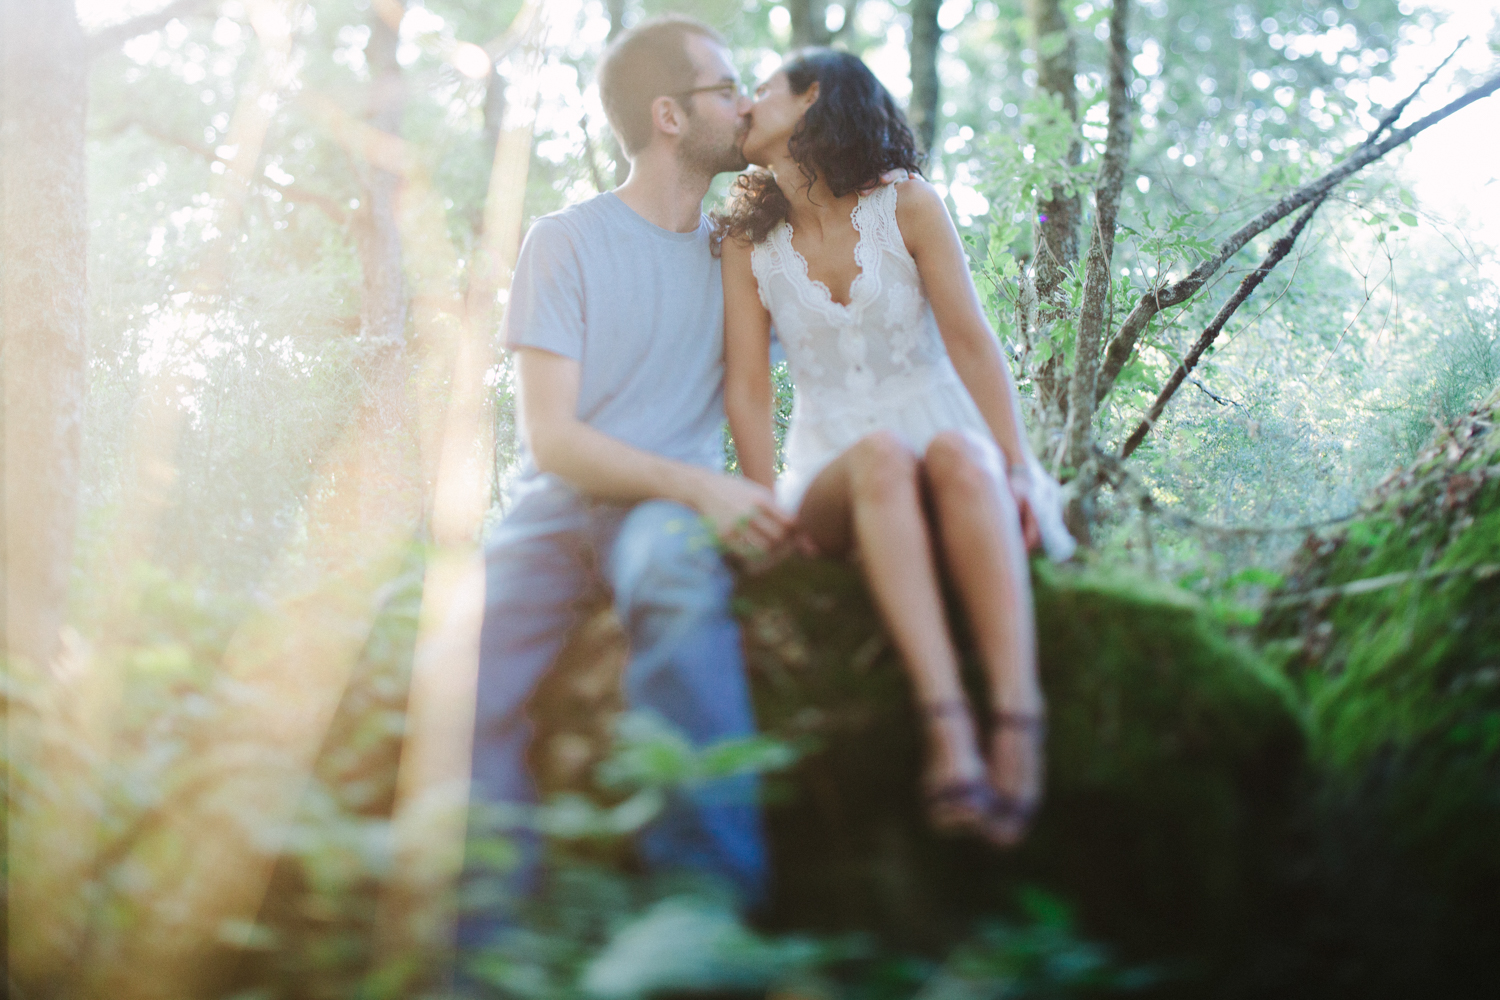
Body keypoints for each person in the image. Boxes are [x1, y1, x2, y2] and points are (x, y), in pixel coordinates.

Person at [461, 16, 789, 944]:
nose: (747, 101)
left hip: (661, 515)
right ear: (669, 116)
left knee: (675, 583)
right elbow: (555, 439)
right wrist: (705, 487)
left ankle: (705, 910)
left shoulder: (738, 256)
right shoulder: (564, 242)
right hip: (558, 508)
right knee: (463, 672)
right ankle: (482, 941)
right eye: (727, 88)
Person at [717, 48, 1076, 846]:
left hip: (940, 421)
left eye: (764, 90)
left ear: (813, 99)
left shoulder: (907, 203)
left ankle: (1019, 720)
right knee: (883, 456)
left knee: (965, 458)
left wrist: (1018, 467)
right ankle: (946, 724)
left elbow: (973, 345)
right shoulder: (748, 239)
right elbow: (746, 385)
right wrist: (760, 500)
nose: (745, 104)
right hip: (836, 463)